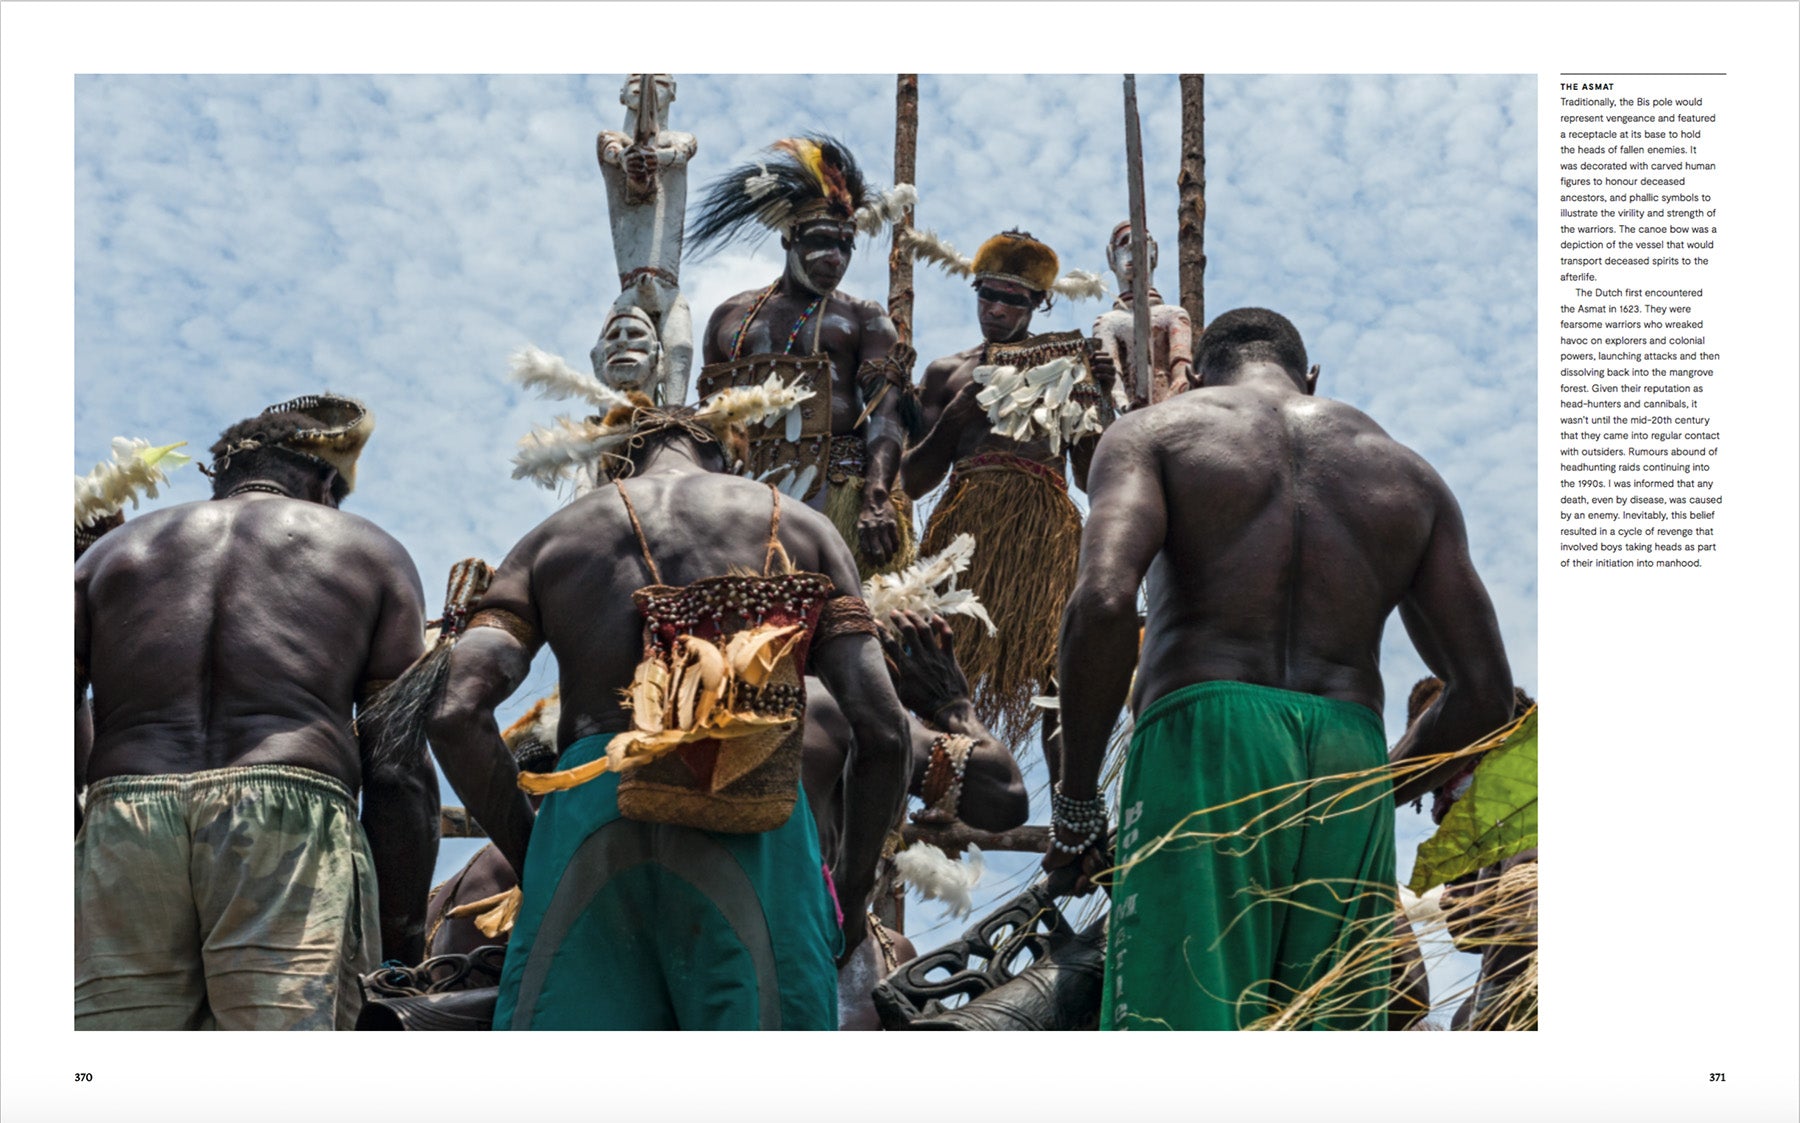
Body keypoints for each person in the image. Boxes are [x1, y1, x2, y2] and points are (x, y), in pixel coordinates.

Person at [1049, 308, 1514, 1030]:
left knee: (1183, 1020)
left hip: (1204, 740)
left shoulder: (1155, 434)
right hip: (1346, 753)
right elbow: (1485, 691)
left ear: (1198, 376)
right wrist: (1365, 790)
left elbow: (1105, 601)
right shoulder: (1409, 476)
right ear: (1312, 377)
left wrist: (1077, 805)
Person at [427, 391, 913, 1030]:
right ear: (727, 456)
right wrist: (847, 895)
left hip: (587, 814)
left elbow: (454, 711)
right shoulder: (801, 526)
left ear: (617, 464)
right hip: (752, 813)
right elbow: (883, 731)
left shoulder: (551, 540)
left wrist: (535, 851)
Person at [74, 394, 436, 1030]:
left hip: (124, 815)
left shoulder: (106, 559)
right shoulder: (370, 553)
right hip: (288, 817)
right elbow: (398, 767)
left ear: (223, 475)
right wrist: (402, 949)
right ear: (325, 481)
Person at [900, 227, 1111, 746]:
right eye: (987, 294)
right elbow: (911, 480)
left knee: (1057, 668)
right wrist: (953, 420)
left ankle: (1070, 807)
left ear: (1038, 304)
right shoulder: (948, 373)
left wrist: (1101, 399)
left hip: (1045, 532)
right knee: (945, 659)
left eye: (1012, 300)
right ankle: (940, 800)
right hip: (964, 529)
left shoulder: (1066, 366)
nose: (995, 309)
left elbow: (1088, 477)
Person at [690, 134, 918, 580]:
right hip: (738, 500)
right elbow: (706, 421)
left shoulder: (863, 317)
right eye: (821, 241)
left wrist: (876, 495)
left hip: (834, 494)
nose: (836, 258)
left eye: (846, 246)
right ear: (788, 238)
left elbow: (887, 415)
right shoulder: (730, 318)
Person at [594, 73, 697, 407]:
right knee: (606, 353)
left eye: (660, 83)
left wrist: (656, 158)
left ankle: (674, 418)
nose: (647, 87)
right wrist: (630, 160)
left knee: (680, 346)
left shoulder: (678, 140)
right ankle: (611, 421)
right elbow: (614, 153)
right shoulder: (611, 140)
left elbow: (681, 151)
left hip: (667, 286)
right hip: (630, 286)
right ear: (622, 94)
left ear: (674, 94)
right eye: (636, 80)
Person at [1090, 220, 1196, 409]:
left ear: (1153, 252)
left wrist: (1163, 408)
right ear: (1111, 257)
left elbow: (1183, 370)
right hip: (1130, 418)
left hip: (1170, 411)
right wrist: (1126, 407)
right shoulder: (1107, 323)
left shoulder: (1173, 315)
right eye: (1123, 242)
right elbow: (1113, 382)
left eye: (1142, 241)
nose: (1133, 246)